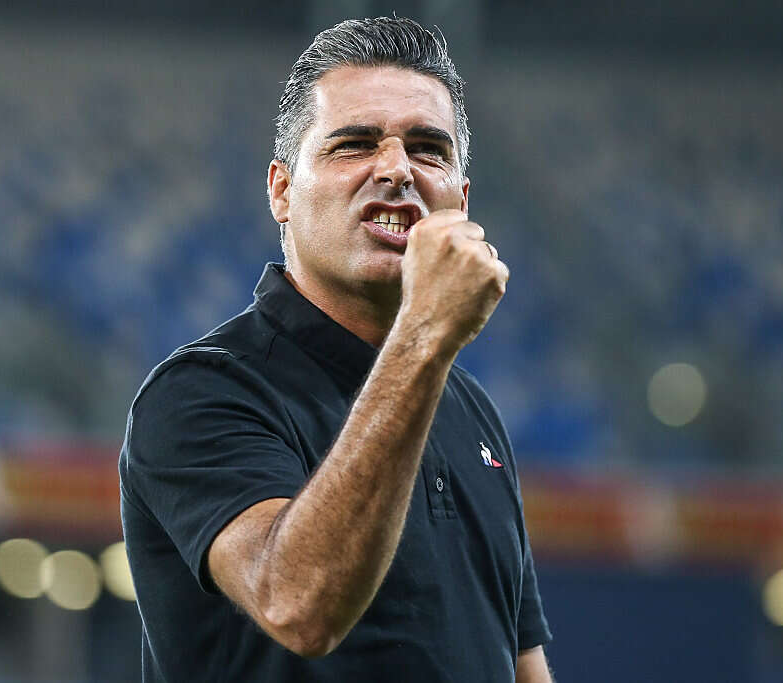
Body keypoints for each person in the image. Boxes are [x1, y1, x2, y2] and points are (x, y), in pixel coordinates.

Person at [119, 16, 553, 682]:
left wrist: (426, 349)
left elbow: (521, 666)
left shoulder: (473, 412)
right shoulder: (200, 393)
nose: (397, 169)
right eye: (354, 144)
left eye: (428, 149)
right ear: (281, 190)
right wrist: (424, 338)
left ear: (460, 200)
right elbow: (298, 604)